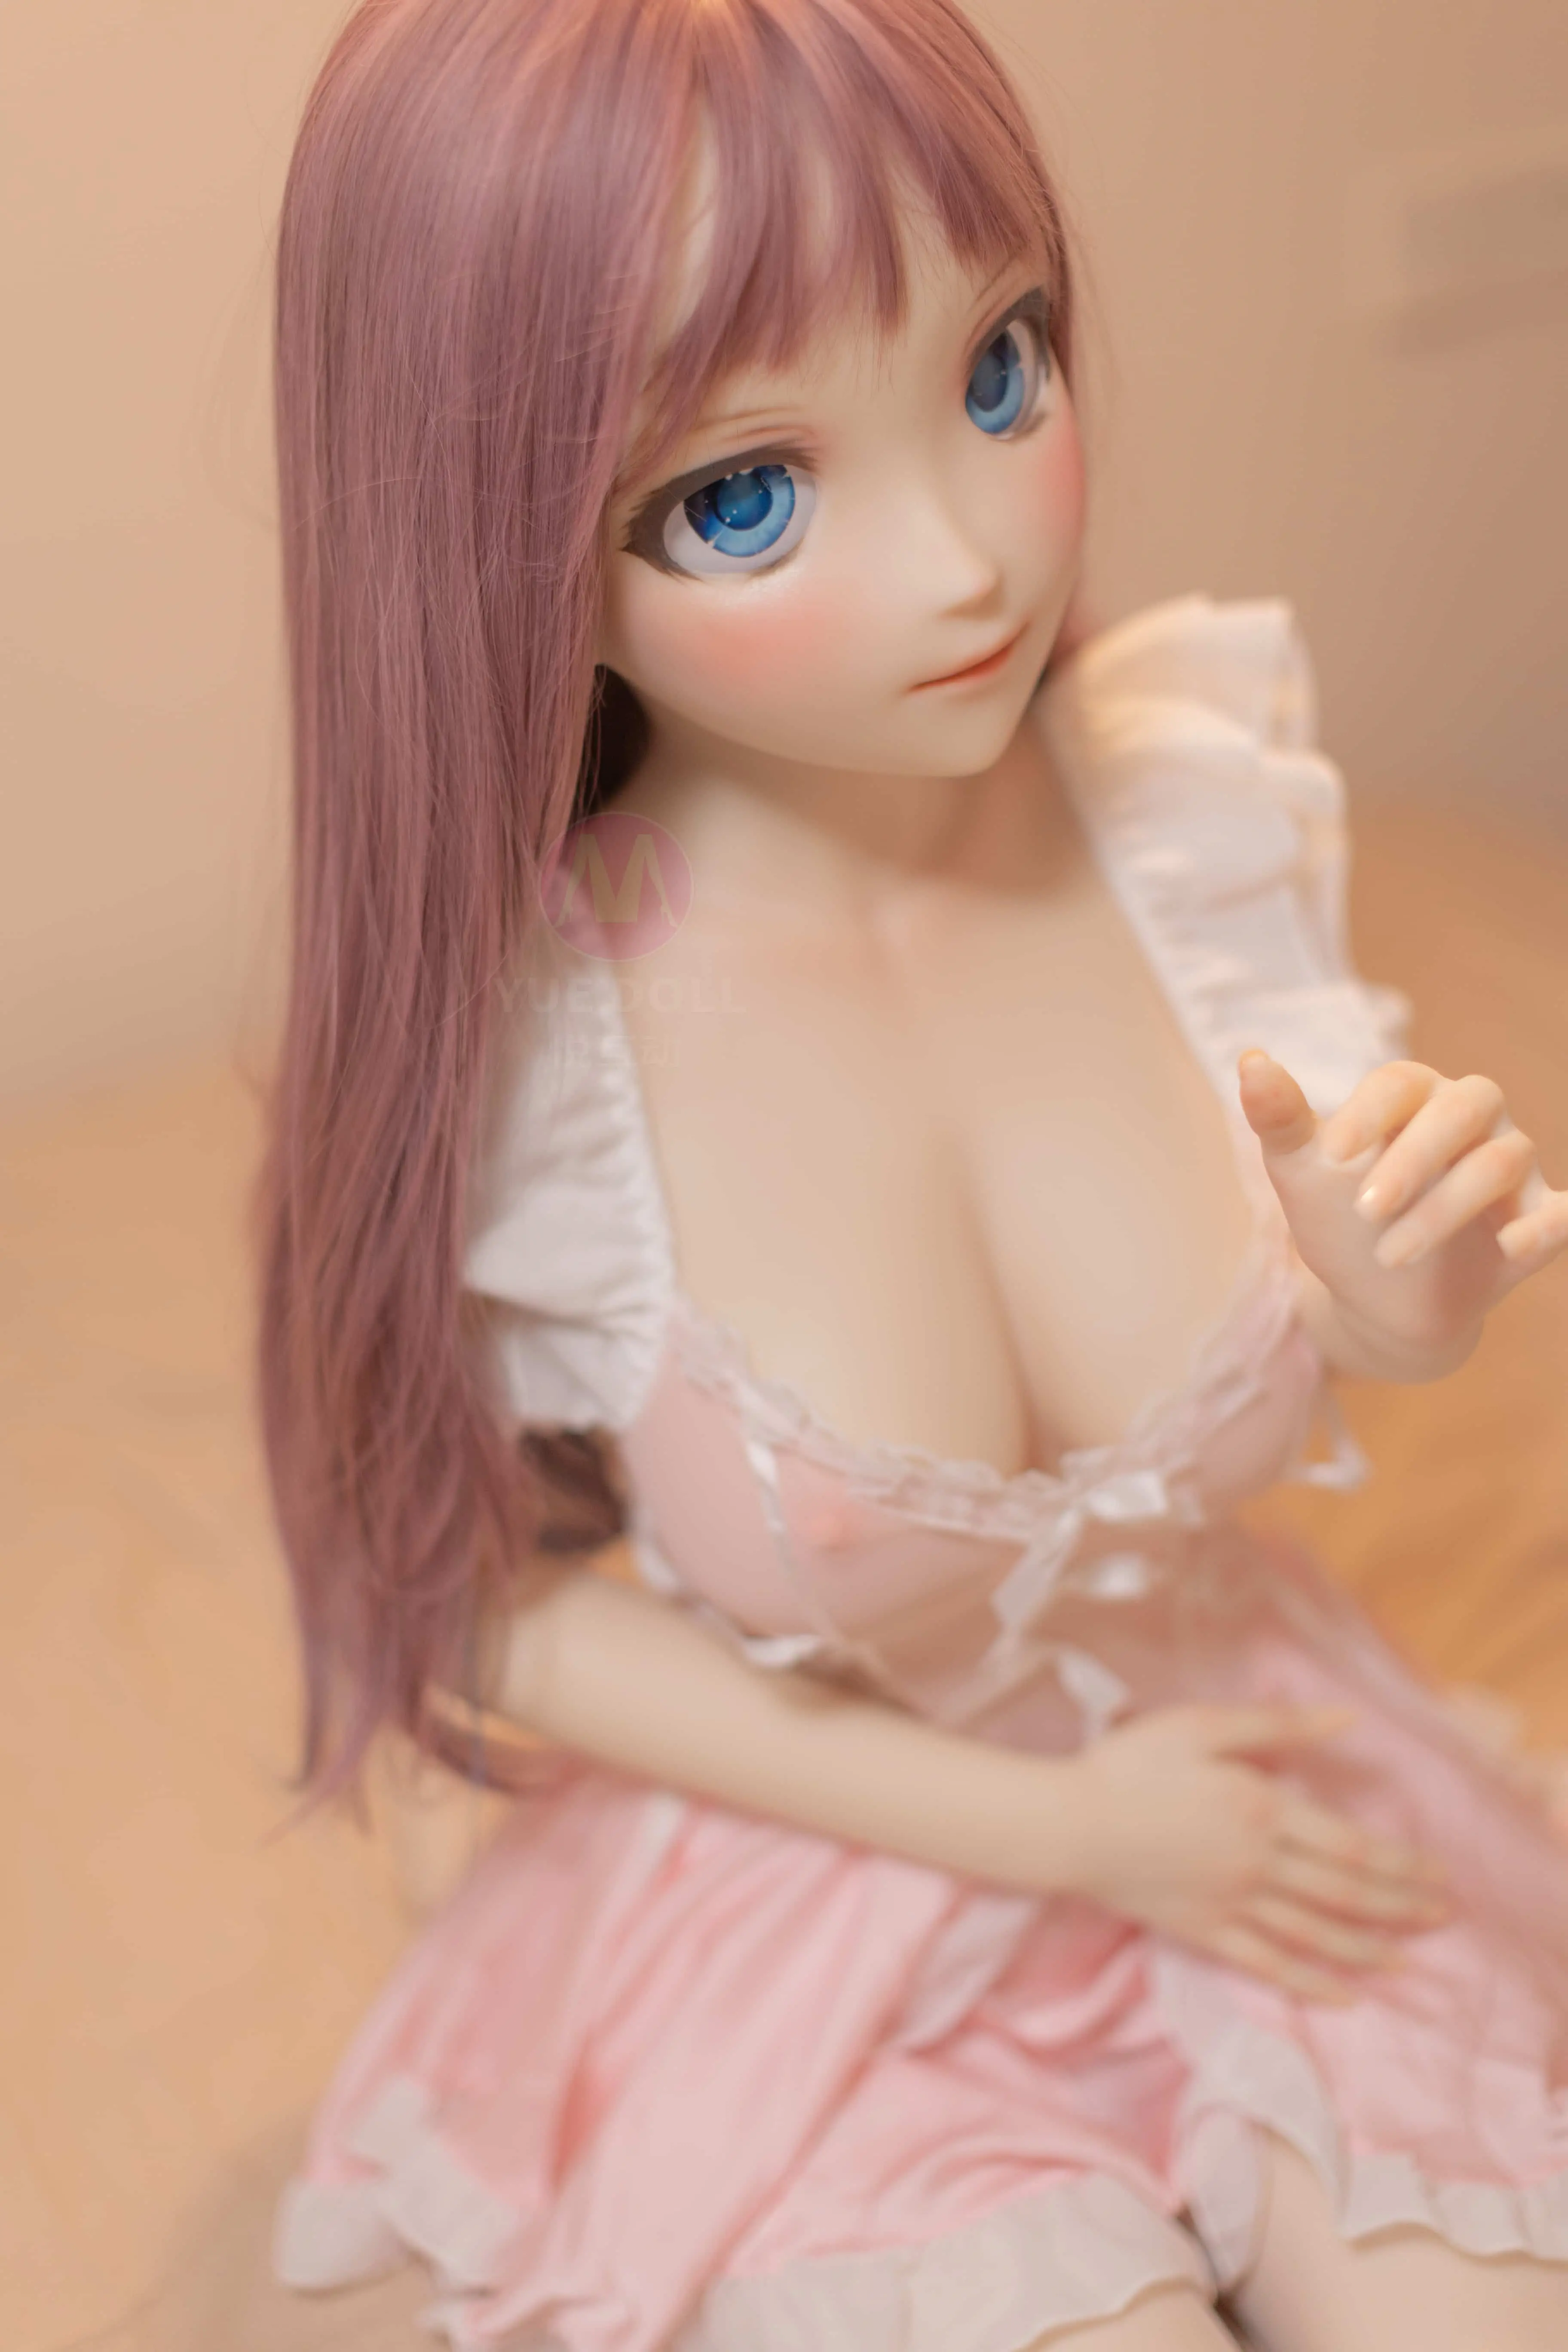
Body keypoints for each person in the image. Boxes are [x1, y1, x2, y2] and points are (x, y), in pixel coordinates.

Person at [257, 1, 1568, 2344]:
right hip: (826, 1891)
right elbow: (469, 1598)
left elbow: (1346, 1307)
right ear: (495, 539)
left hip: (1262, 1788)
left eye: (1000, 367)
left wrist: (1397, 1306)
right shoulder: (536, 1049)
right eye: (742, 498)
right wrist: (1058, 1833)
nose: (970, 560)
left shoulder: (1181, 807)